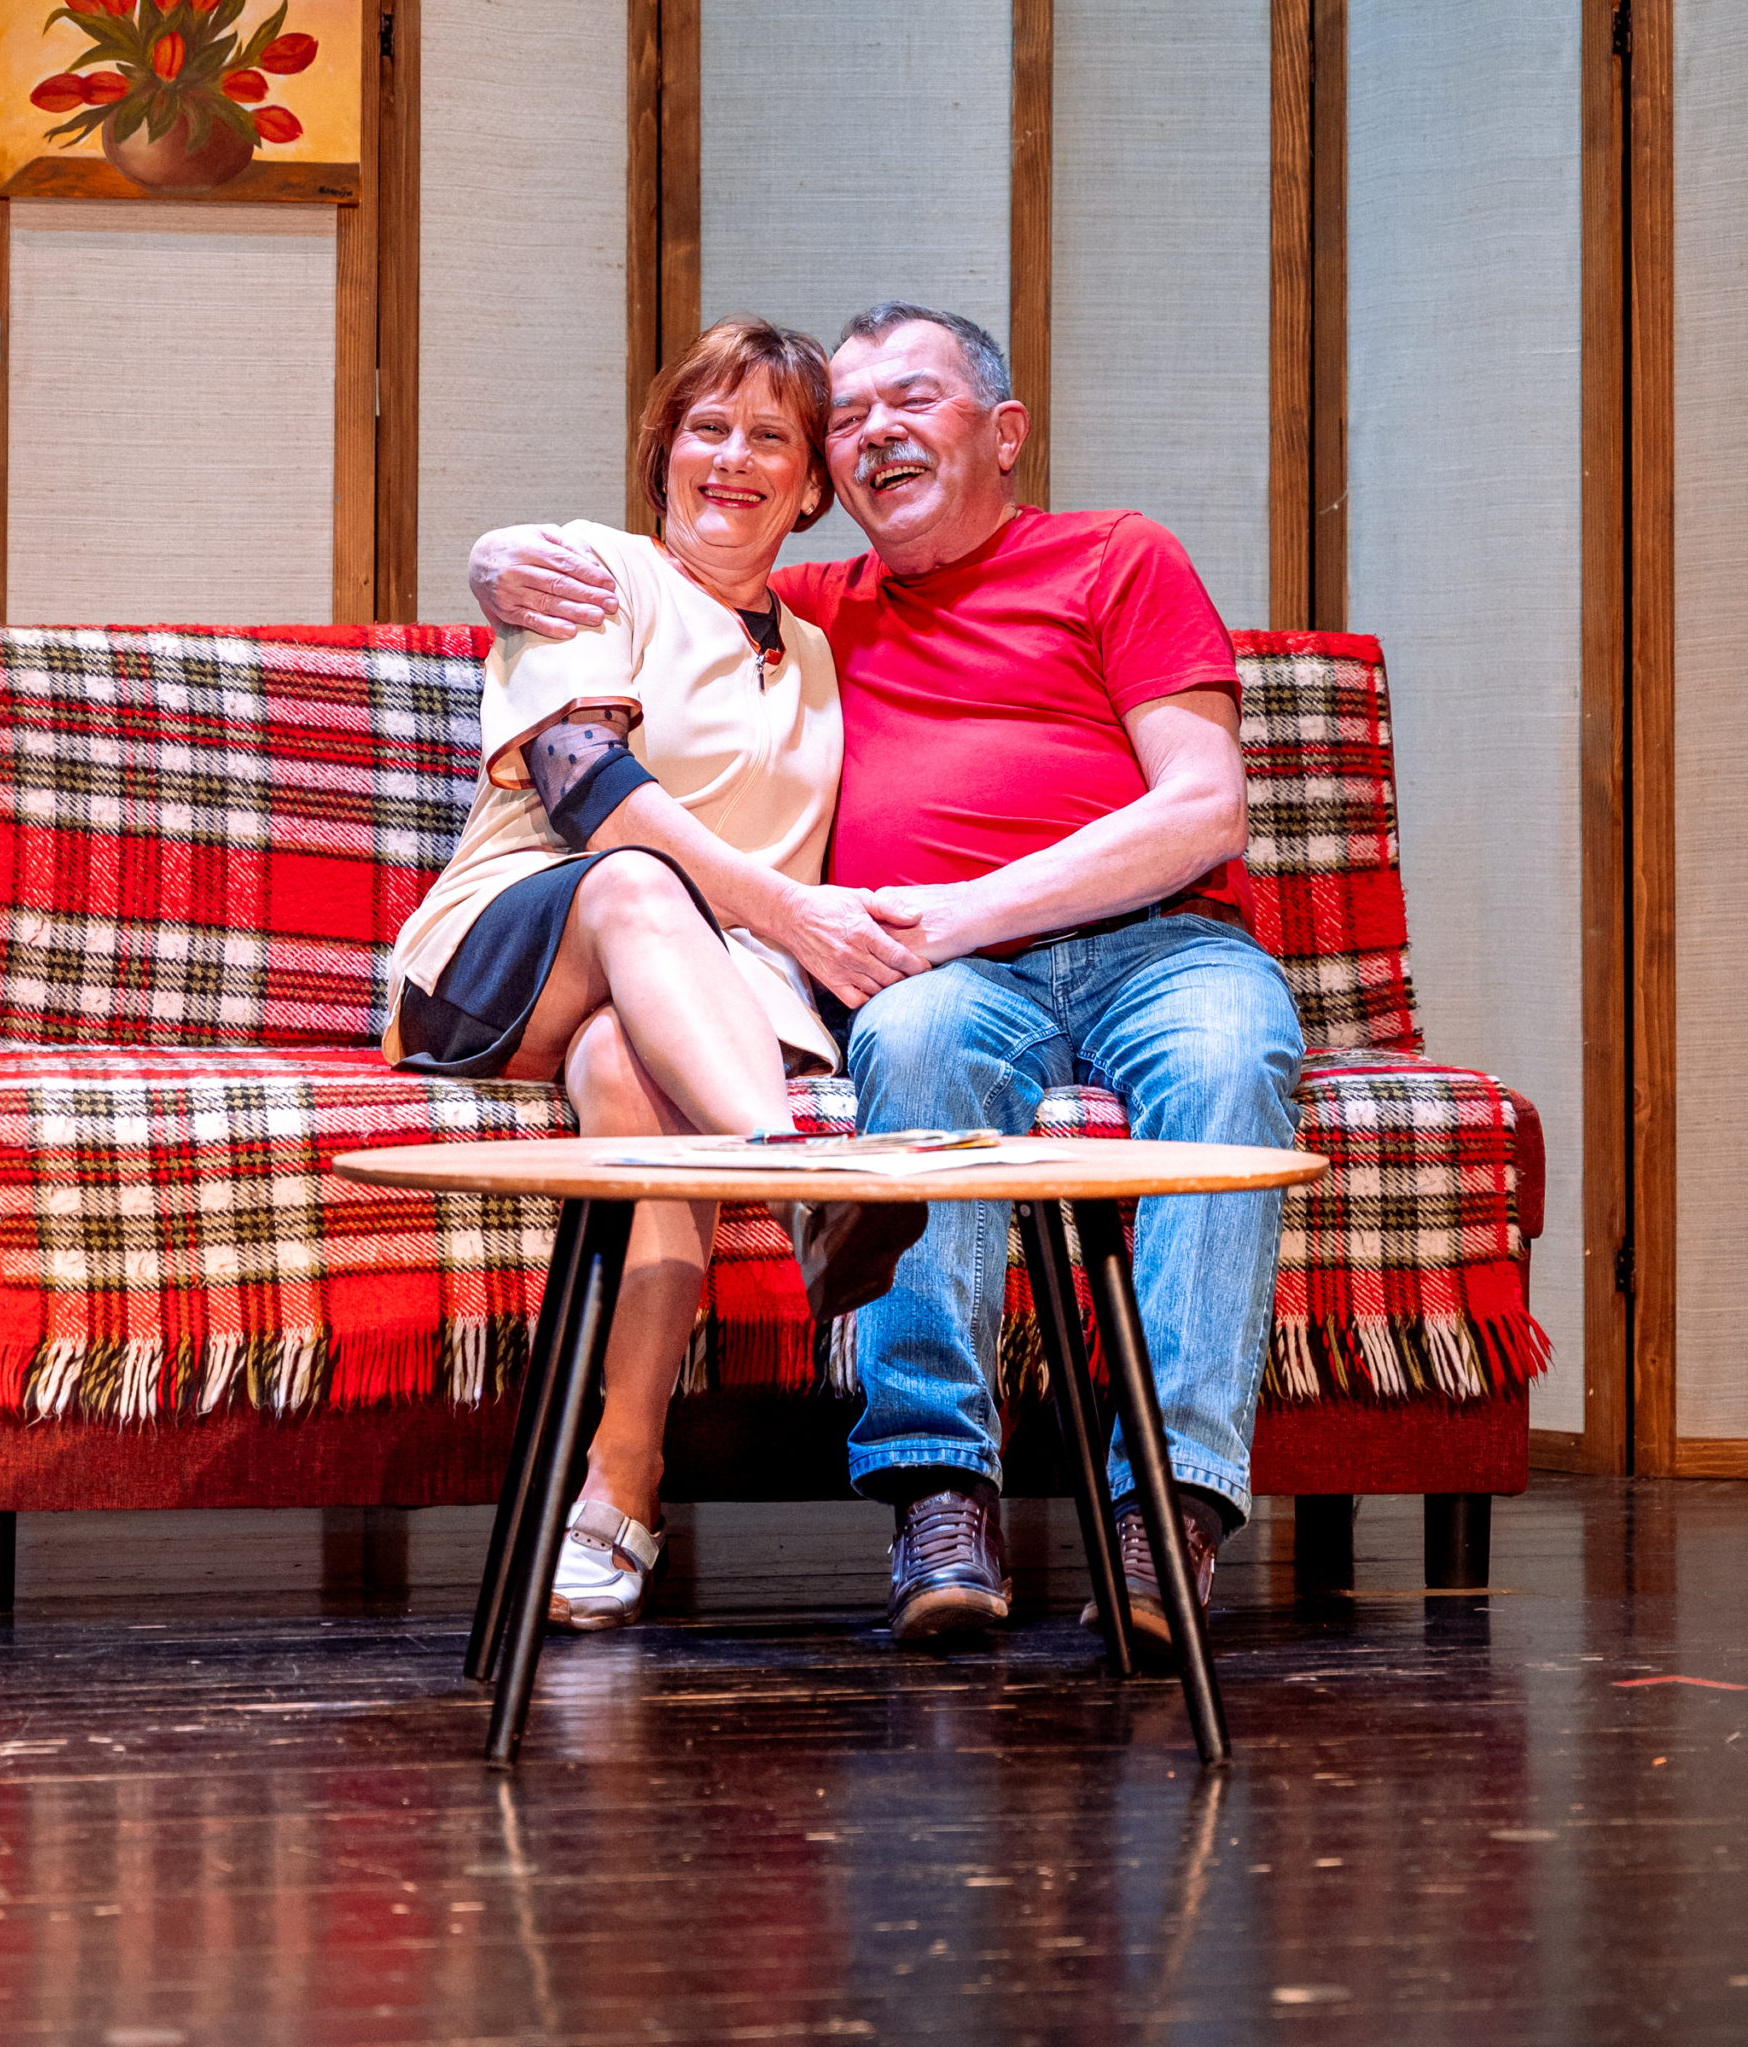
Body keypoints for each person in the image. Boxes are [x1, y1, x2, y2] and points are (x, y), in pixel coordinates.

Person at [469, 302, 1303, 1661]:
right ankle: (939, 1500)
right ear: (826, 480)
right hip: (942, 981)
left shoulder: (1117, 556)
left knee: (1230, 1059)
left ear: (1005, 433)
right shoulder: (807, 612)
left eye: (911, 399)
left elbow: (1205, 809)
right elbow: (664, 578)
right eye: (847, 418)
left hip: (1164, 948)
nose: (874, 434)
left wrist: (967, 910)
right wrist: (499, 559)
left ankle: (1169, 1511)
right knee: (910, 1050)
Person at [391, 315, 928, 1631]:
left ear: (812, 485)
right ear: (662, 452)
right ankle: (798, 1179)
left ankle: (619, 1487)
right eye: (707, 428)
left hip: (693, 1000)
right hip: (507, 951)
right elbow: (586, 792)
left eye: (770, 438)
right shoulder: (595, 574)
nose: (732, 458)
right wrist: (795, 916)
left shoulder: (818, 647)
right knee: (638, 879)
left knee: (638, 1084)